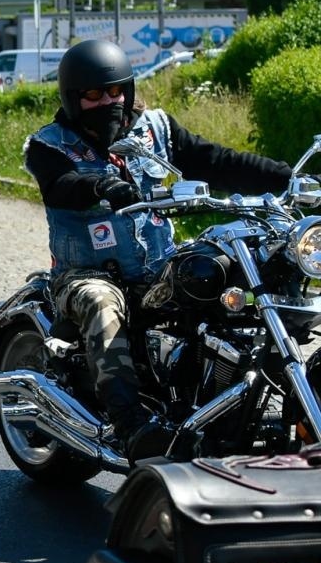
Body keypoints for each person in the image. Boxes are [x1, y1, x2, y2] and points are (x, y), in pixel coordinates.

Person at [24, 38, 291, 461]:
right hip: (86, 274)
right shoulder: (50, 145)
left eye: (115, 92)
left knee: (221, 276)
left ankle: (217, 396)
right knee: (101, 303)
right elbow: (59, 186)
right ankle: (132, 427)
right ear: (75, 98)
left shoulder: (156, 129)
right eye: (94, 95)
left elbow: (216, 161)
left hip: (157, 268)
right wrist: (99, 184)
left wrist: (287, 178)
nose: (108, 101)